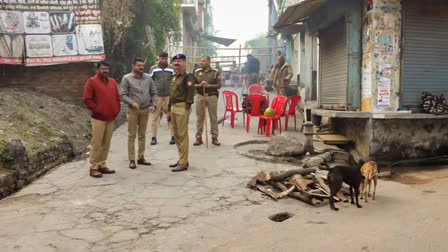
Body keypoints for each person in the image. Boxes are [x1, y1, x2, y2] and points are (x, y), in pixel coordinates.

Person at [83, 61, 121, 178]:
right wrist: (97, 110)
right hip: (98, 118)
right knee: (97, 143)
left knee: (106, 143)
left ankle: (102, 164)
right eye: (103, 69)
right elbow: (87, 99)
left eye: (107, 69)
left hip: (110, 117)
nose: (105, 71)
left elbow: (116, 98)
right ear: (97, 70)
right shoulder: (91, 82)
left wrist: (116, 110)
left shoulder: (112, 82)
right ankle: (94, 167)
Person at [120, 57, 157, 169]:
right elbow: (122, 94)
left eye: (142, 65)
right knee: (132, 135)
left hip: (145, 110)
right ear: (133, 66)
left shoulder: (148, 78)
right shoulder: (127, 78)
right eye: (139, 65)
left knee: (142, 135)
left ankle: (141, 157)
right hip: (133, 111)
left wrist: (153, 104)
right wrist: (132, 102)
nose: (141, 67)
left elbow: (154, 92)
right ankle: (132, 159)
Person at [167, 54, 195, 172]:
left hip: (182, 107)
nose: (176, 63)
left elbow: (190, 93)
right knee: (176, 135)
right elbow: (172, 93)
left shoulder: (188, 77)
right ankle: (182, 159)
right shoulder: (174, 76)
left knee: (182, 135)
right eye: (175, 61)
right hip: (173, 107)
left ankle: (183, 162)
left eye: (179, 61)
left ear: (184, 62)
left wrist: (187, 108)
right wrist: (168, 110)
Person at [193, 56, 222, 146]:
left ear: (209, 62)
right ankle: (198, 138)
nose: (201, 63)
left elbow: (219, 85)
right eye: (201, 61)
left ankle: (214, 137)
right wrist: (199, 85)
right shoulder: (197, 72)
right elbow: (192, 84)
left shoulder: (215, 72)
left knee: (213, 117)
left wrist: (208, 85)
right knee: (199, 117)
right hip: (200, 96)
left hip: (212, 96)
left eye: (203, 61)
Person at [149, 52, 175, 145]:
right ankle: (153, 137)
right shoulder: (153, 68)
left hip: (169, 95)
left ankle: (173, 136)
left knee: (170, 115)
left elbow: (175, 81)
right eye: (162, 58)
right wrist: (151, 98)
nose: (164, 60)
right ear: (159, 58)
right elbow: (150, 82)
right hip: (157, 96)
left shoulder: (172, 68)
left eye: (165, 58)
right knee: (155, 116)